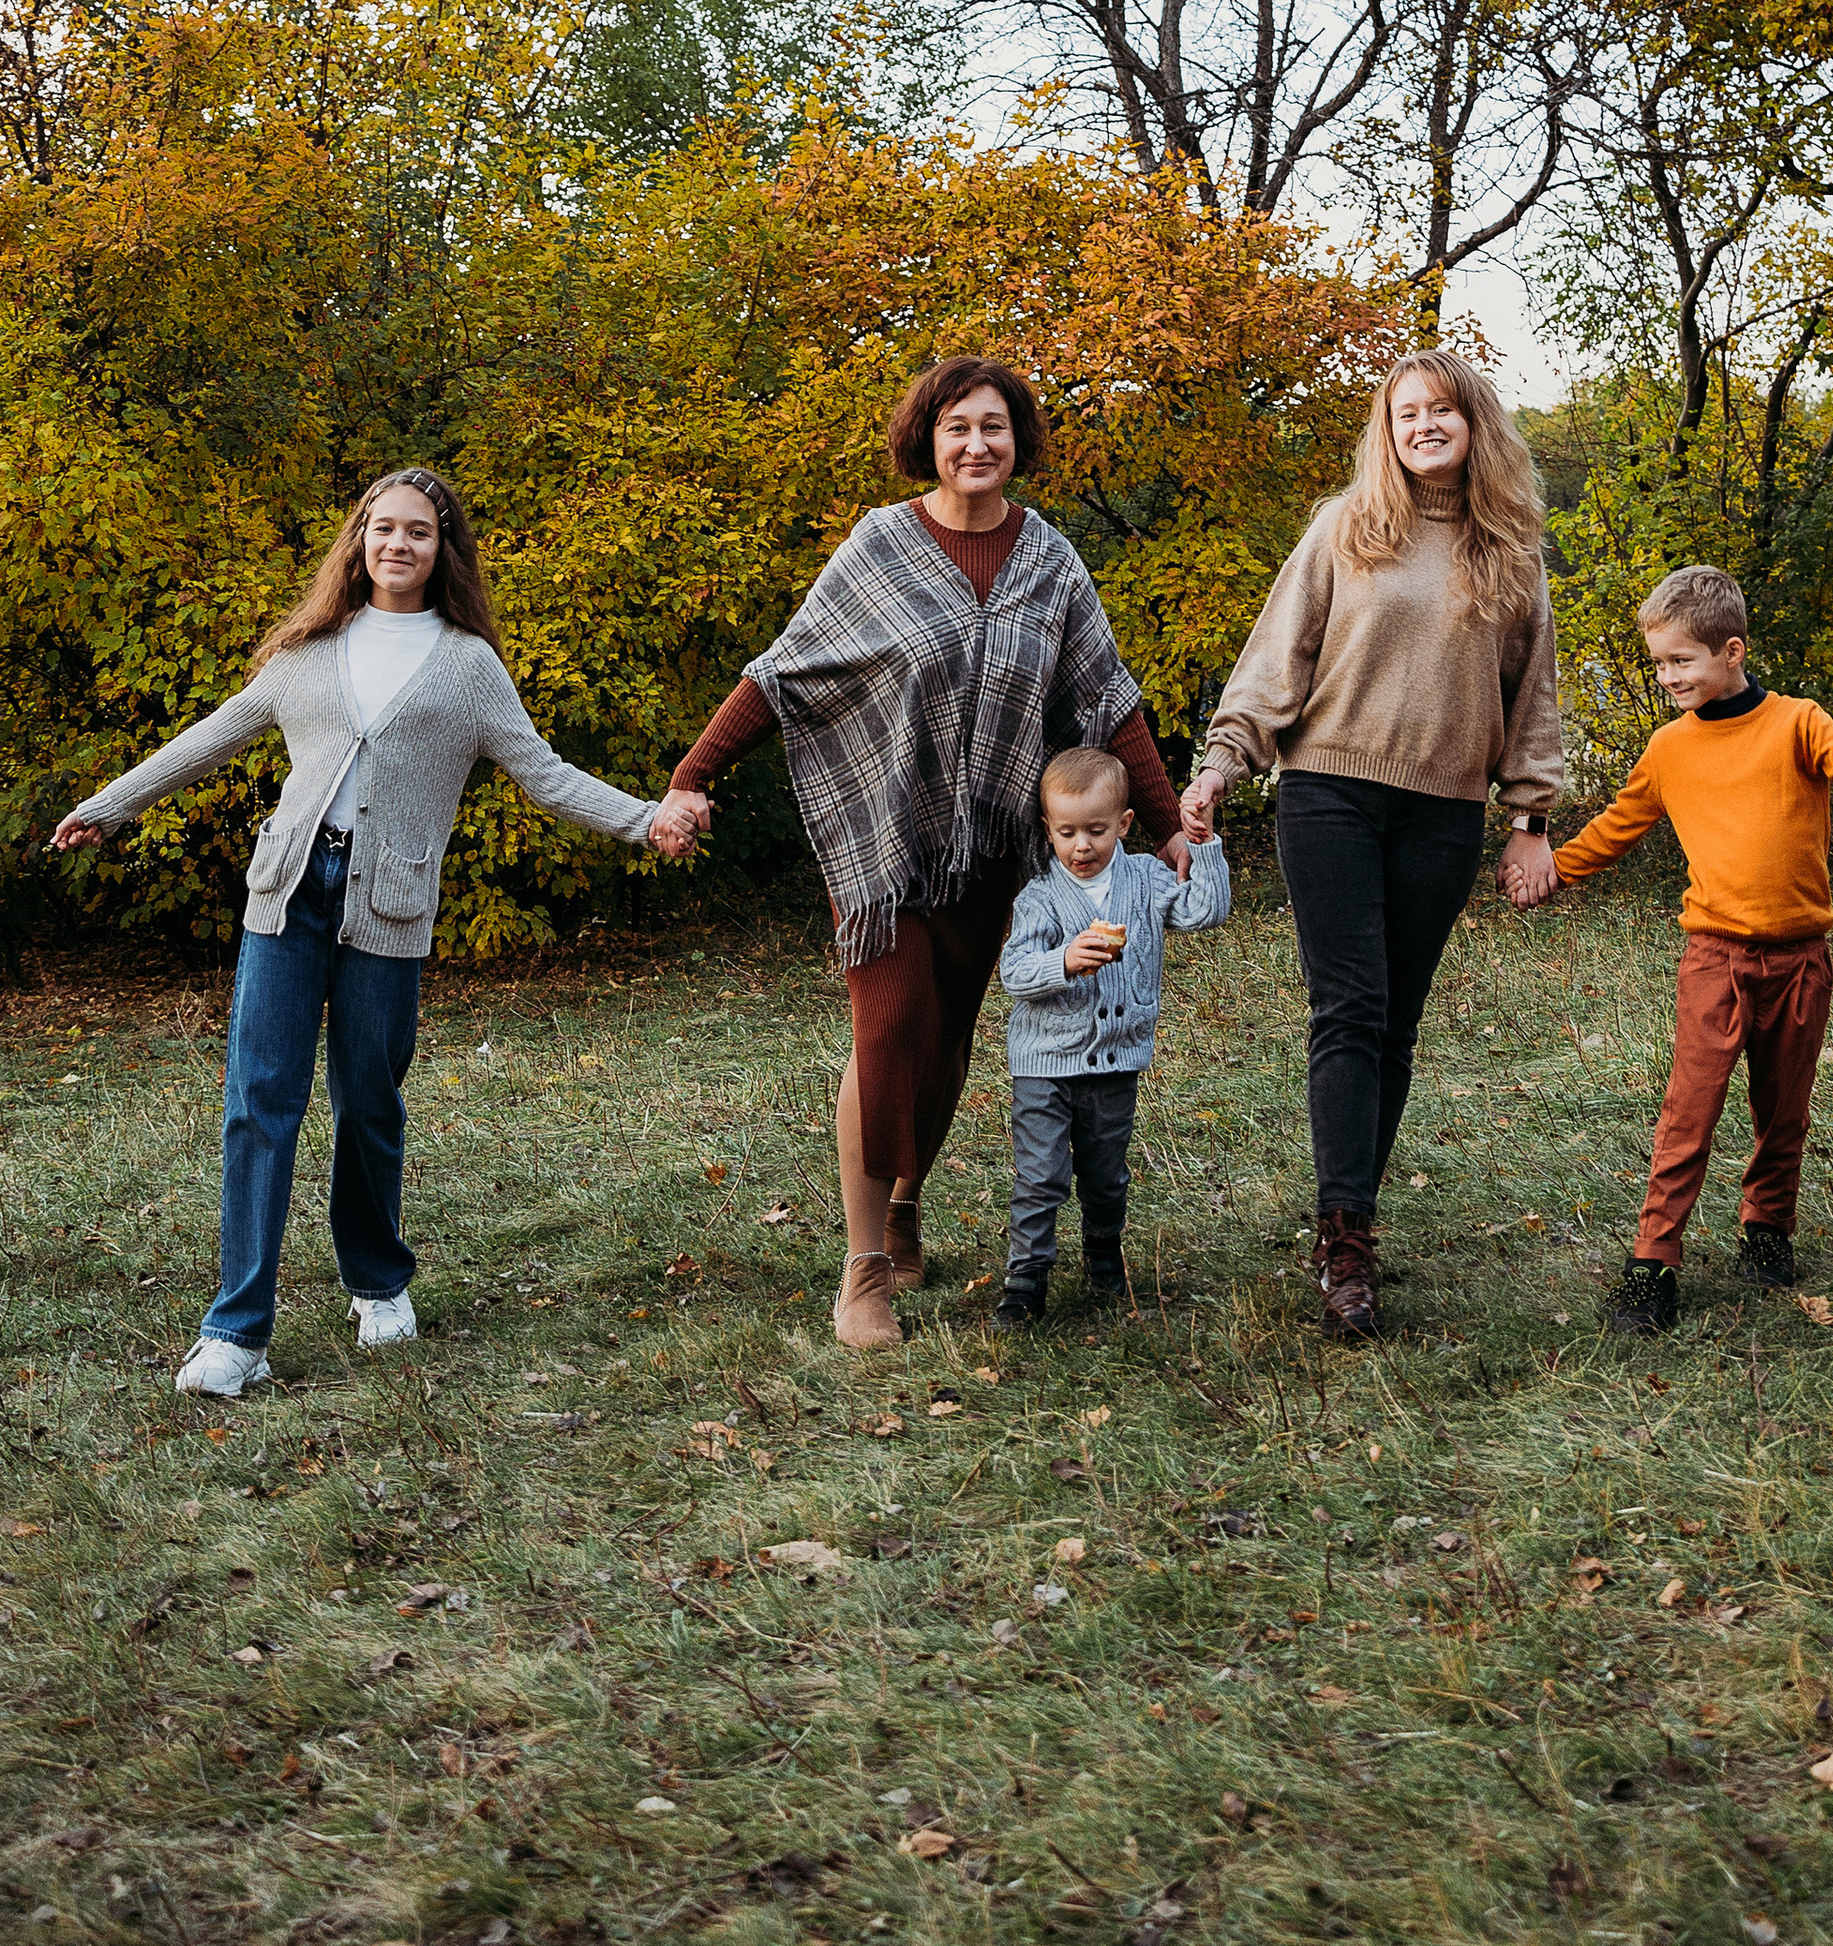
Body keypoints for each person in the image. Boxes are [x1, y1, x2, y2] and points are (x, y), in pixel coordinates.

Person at [52, 468, 706, 1399]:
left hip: (388, 904)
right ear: (360, 540)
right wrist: (109, 807)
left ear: (444, 550)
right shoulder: (309, 650)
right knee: (260, 1102)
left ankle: (377, 1282)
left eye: (419, 532)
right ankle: (236, 1331)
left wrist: (646, 820)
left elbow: (544, 773)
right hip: (288, 892)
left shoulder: (468, 666)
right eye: (384, 528)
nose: (399, 544)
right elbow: (211, 736)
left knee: (368, 1101)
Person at [664, 356, 1190, 1351]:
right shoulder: (881, 546)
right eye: (957, 427)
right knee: (891, 1027)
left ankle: (905, 1205)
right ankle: (862, 1271)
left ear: (1017, 441)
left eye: (993, 426)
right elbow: (785, 672)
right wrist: (694, 775)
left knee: (944, 1039)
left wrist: (1167, 831)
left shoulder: (1051, 564)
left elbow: (1109, 700)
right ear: (928, 440)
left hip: (993, 851)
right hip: (885, 843)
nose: (975, 444)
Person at [1177, 347, 1561, 1342]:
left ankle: (1353, 1216)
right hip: (1330, 793)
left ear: (1474, 424)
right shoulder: (1346, 527)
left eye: (1443, 410)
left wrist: (1530, 822)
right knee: (1349, 1006)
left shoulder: (1510, 552)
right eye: (1405, 413)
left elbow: (1532, 702)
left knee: (1394, 1021)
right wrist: (1220, 766)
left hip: (1443, 811)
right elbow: (1278, 658)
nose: (1424, 425)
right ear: (1386, 433)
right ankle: (1344, 1243)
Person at [1538, 561, 1833, 1340]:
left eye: (1680, 661)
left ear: (1732, 652)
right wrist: (1553, 869)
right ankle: (1653, 1263)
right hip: (1714, 958)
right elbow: (1617, 826)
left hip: (1800, 958)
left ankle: (1767, 1229)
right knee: (1689, 1110)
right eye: (1659, 664)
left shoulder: (1797, 722)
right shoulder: (1669, 750)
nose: (1666, 678)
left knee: (1783, 1108)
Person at [993, 745, 1231, 1326]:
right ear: (1048, 830)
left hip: (1115, 1062)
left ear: (1123, 824)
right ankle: (1026, 1279)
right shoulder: (1040, 896)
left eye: (1096, 831)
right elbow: (1014, 972)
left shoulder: (1145, 879)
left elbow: (1205, 911)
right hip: (1044, 1064)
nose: (1082, 846)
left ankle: (1103, 1253)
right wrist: (1063, 961)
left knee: (1105, 1175)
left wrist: (1203, 844)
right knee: (1041, 1174)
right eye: (1067, 832)